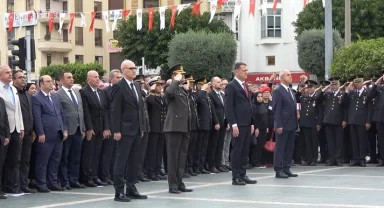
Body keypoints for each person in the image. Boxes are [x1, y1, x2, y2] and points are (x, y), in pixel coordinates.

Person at [111, 60, 147, 202]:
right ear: (123, 70)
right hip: (124, 130)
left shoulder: (137, 86)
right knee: (121, 161)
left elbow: (139, 109)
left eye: (135, 68)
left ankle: (131, 188)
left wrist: (142, 127)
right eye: (131, 68)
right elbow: (115, 110)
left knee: (134, 160)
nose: (134, 71)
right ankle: (119, 191)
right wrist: (116, 130)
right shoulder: (119, 86)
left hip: (136, 129)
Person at [32, 75, 68, 192]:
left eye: (51, 81)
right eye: (48, 81)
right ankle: (41, 183)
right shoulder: (36, 98)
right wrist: (40, 133)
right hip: (46, 135)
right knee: (43, 160)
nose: (51, 83)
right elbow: (37, 117)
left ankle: (53, 182)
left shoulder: (55, 96)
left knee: (55, 160)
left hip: (58, 133)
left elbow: (61, 114)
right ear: (41, 84)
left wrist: (65, 129)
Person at [224, 62, 257, 185]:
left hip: (247, 123)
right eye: (244, 70)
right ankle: (236, 176)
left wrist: (252, 122)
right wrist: (233, 124)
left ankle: (243, 174)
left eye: (247, 70)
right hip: (238, 124)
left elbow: (249, 105)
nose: (246, 72)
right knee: (237, 150)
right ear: (236, 72)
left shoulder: (244, 86)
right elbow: (229, 107)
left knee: (244, 150)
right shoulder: (231, 86)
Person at [163, 64, 193, 194]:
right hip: (174, 127)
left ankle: (180, 182)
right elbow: (169, 93)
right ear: (174, 76)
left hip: (184, 127)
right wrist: (175, 80)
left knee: (182, 157)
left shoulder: (182, 89)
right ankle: (173, 185)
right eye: (181, 74)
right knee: (173, 158)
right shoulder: (170, 88)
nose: (183, 76)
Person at [56, 72, 87, 189]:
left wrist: (83, 127)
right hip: (67, 130)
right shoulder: (58, 94)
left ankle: (74, 180)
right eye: (68, 78)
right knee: (64, 157)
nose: (71, 79)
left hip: (78, 129)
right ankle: (65, 181)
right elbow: (59, 113)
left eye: (72, 77)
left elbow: (81, 111)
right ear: (62, 80)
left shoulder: (76, 93)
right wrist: (63, 129)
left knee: (76, 157)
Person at [80, 71, 110, 187]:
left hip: (101, 127)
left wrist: (106, 127)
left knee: (97, 153)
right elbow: (86, 111)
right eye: (95, 77)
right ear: (88, 79)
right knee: (89, 153)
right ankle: (87, 177)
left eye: (98, 77)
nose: (98, 79)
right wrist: (89, 128)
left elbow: (105, 111)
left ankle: (95, 176)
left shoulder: (101, 92)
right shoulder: (84, 92)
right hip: (91, 128)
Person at [0, 65, 24, 193]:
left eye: (10, 72)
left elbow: (18, 109)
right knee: (2, 159)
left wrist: (21, 127)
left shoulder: (13, 89)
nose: (10, 74)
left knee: (14, 159)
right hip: (3, 128)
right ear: (0, 75)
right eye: (7, 73)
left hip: (15, 128)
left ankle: (11, 186)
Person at [272, 69, 299, 179]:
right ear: (282, 78)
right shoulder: (278, 91)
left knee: (289, 147)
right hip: (283, 124)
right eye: (288, 75)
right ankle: (278, 169)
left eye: (290, 75)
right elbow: (277, 109)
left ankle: (286, 167)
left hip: (292, 124)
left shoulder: (290, 90)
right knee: (280, 147)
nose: (290, 76)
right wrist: (278, 124)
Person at [12, 70, 36, 194]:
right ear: (14, 80)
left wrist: (33, 130)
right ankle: (14, 185)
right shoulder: (13, 92)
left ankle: (23, 184)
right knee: (16, 160)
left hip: (28, 132)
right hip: (17, 131)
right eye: (20, 77)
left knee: (26, 160)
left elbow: (30, 113)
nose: (23, 79)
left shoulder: (27, 94)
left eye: (24, 77)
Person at [101, 69, 122, 185]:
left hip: (120, 126)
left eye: (120, 77)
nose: (119, 79)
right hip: (110, 125)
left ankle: (115, 174)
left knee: (117, 153)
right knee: (108, 153)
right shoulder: (106, 91)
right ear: (111, 79)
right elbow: (105, 110)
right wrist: (107, 127)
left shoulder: (122, 90)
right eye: (117, 77)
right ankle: (106, 175)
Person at [322, 77, 347, 166]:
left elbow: (345, 108)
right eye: (332, 84)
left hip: (338, 121)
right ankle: (332, 159)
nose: (334, 86)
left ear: (339, 85)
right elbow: (318, 96)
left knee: (339, 141)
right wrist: (326, 87)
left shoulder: (342, 94)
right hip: (328, 121)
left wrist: (345, 119)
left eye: (335, 84)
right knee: (330, 141)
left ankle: (338, 159)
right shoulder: (327, 94)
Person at [146, 76, 167, 181]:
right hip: (154, 128)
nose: (160, 87)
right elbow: (150, 103)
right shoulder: (150, 97)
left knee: (159, 151)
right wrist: (152, 91)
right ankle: (151, 172)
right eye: (158, 85)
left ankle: (157, 170)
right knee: (152, 151)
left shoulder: (161, 97)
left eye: (160, 85)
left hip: (162, 127)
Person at [299, 80, 322, 166]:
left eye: (311, 87)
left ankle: (314, 159)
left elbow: (320, 111)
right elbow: (298, 96)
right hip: (305, 122)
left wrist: (319, 123)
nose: (309, 89)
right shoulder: (304, 97)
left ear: (314, 88)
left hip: (314, 123)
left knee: (314, 142)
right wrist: (302, 89)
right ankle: (308, 159)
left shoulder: (317, 97)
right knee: (307, 142)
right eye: (308, 87)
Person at [208, 77, 229, 172]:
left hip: (223, 122)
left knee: (220, 144)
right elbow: (212, 110)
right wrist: (216, 122)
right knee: (214, 145)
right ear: (212, 84)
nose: (220, 83)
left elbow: (225, 109)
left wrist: (228, 121)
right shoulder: (211, 95)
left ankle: (218, 163)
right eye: (218, 82)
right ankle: (212, 165)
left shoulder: (222, 94)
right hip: (216, 123)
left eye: (221, 82)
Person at [0, 97, 10, 199]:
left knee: (0, 164)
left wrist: (7, 135)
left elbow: (5, 118)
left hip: (1, 137)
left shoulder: (1, 100)